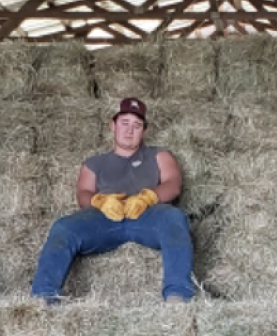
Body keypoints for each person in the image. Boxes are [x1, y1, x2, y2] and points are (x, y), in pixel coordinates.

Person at [31, 97, 194, 303]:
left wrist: (148, 197)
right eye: (124, 123)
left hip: (148, 215)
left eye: (137, 125)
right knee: (63, 228)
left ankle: (177, 296)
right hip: (105, 218)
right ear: (113, 126)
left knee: (174, 218)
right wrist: (100, 201)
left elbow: (173, 184)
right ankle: (43, 298)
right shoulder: (94, 163)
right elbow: (83, 193)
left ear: (143, 130)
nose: (129, 130)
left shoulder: (159, 155)